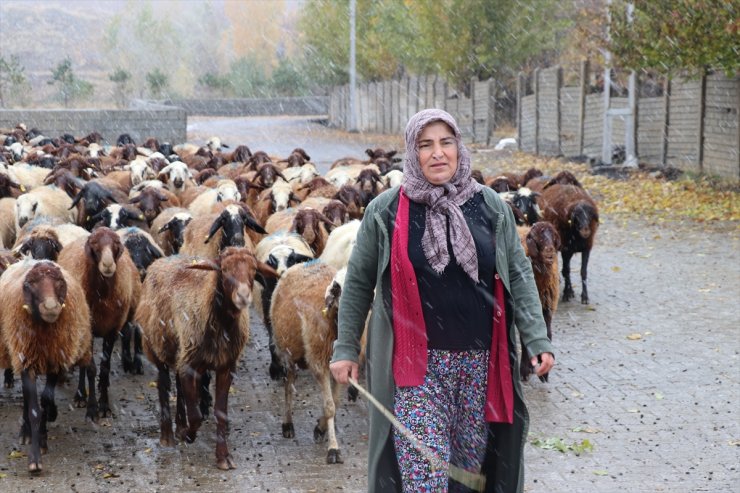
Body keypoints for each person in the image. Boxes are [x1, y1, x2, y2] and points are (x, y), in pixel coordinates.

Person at [330, 108, 554, 493]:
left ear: (458, 147)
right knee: (425, 476)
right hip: (416, 368)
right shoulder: (385, 211)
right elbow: (358, 284)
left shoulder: (489, 207)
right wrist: (346, 347)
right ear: (411, 153)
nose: (437, 153)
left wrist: (536, 339)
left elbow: (517, 274)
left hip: (481, 366)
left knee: (466, 478)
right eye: (426, 145)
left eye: (445, 143)